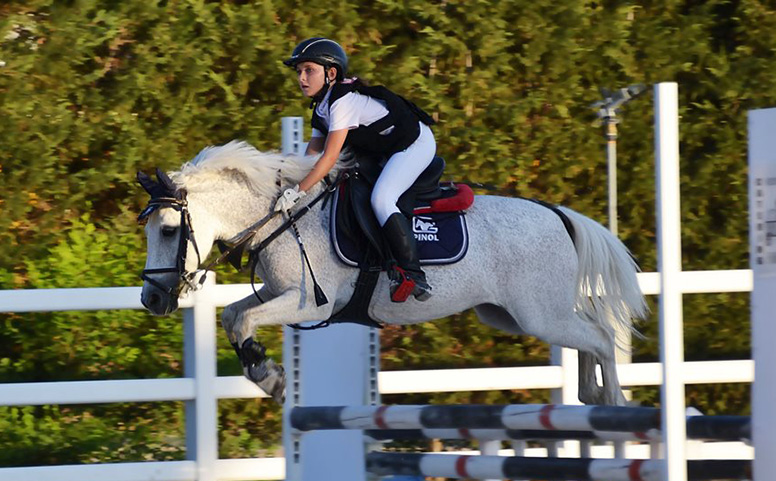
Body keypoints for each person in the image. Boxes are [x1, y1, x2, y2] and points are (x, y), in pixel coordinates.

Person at [279, 37, 437, 302]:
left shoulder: (343, 102)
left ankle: (413, 274)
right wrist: (287, 181)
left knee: (382, 198)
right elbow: (311, 157)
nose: (302, 78)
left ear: (331, 73)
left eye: (309, 70)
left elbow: (328, 159)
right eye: (299, 72)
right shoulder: (321, 108)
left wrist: (298, 191)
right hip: (387, 149)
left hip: (415, 143)